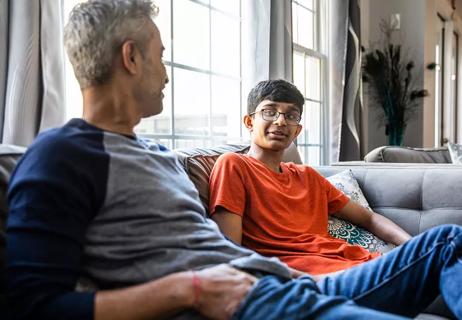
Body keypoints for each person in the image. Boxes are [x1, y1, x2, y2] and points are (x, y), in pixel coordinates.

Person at [5, 1, 462, 319]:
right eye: (160, 57)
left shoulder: (156, 157)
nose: (165, 73)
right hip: (246, 301)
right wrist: (191, 289)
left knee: (445, 242)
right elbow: (31, 304)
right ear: (130, 57)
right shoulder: (62, 155)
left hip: (282, 284)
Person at [208, 79, 411, 275]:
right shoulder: (233, 165)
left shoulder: (308, 177)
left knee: (439, 244)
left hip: (362, 264)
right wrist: (311, 281)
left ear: (297, 131)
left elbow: (370, 219)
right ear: (249, 121)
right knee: (439, 244)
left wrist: (412, 246)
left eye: (291, 116)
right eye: (269, 112)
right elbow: (231, 254)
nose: (280, 121)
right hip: (323, 278)